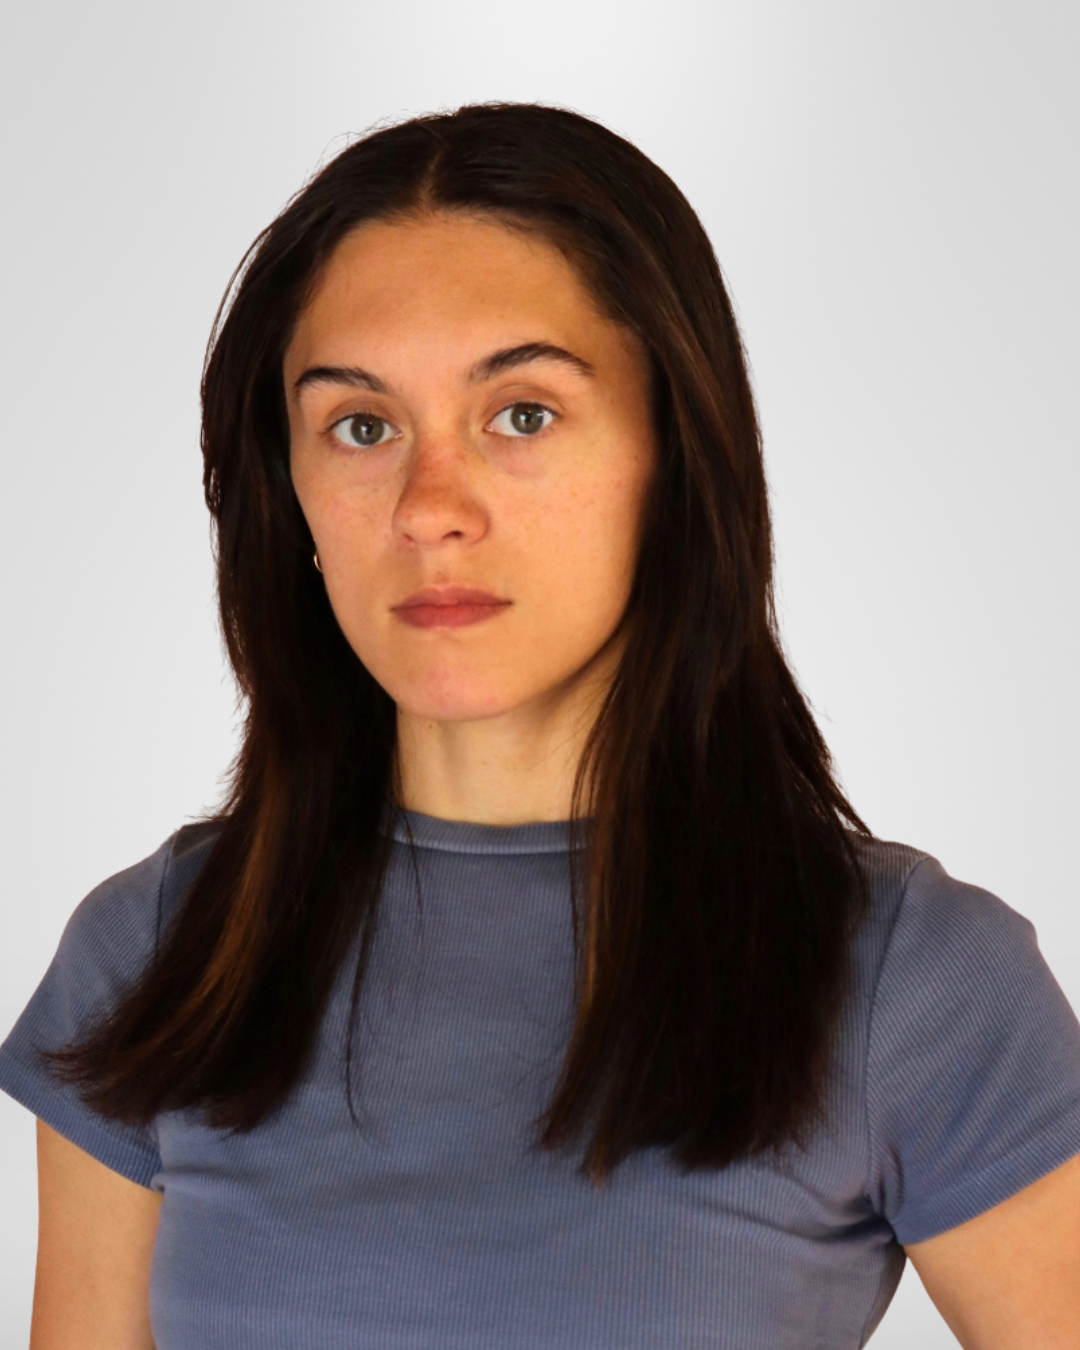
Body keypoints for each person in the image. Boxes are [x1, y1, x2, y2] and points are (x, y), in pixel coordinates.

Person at [2, 102, 1079, 1350]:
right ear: (287, 488)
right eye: (362, 426)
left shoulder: (911, 978)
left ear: (675, 453)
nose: (430, 507)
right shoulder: (160, 955)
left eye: (522, 413)